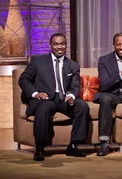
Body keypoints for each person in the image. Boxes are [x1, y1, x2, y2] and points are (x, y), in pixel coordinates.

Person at [19, 33, 89, 161]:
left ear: (66, 45)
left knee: (82, 106)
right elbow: (24, 79)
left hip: (63, 99)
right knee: (43, 108)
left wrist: (72, 95)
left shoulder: (73, 65)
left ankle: (73, 145)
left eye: (62, 44)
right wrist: (35, 93)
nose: (59, 47)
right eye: (56, 44)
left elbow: (75, 86)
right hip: (46, 99)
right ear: (50, 45)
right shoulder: (38, 61)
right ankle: (40, 148)